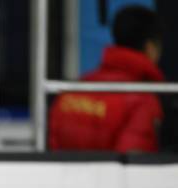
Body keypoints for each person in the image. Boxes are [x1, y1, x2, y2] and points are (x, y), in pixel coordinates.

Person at [49, 5, 164, 153]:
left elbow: (53, 155)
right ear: (150, 48)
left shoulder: (70, 93)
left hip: (64, 176)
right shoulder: (144, 102)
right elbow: (133, 167)